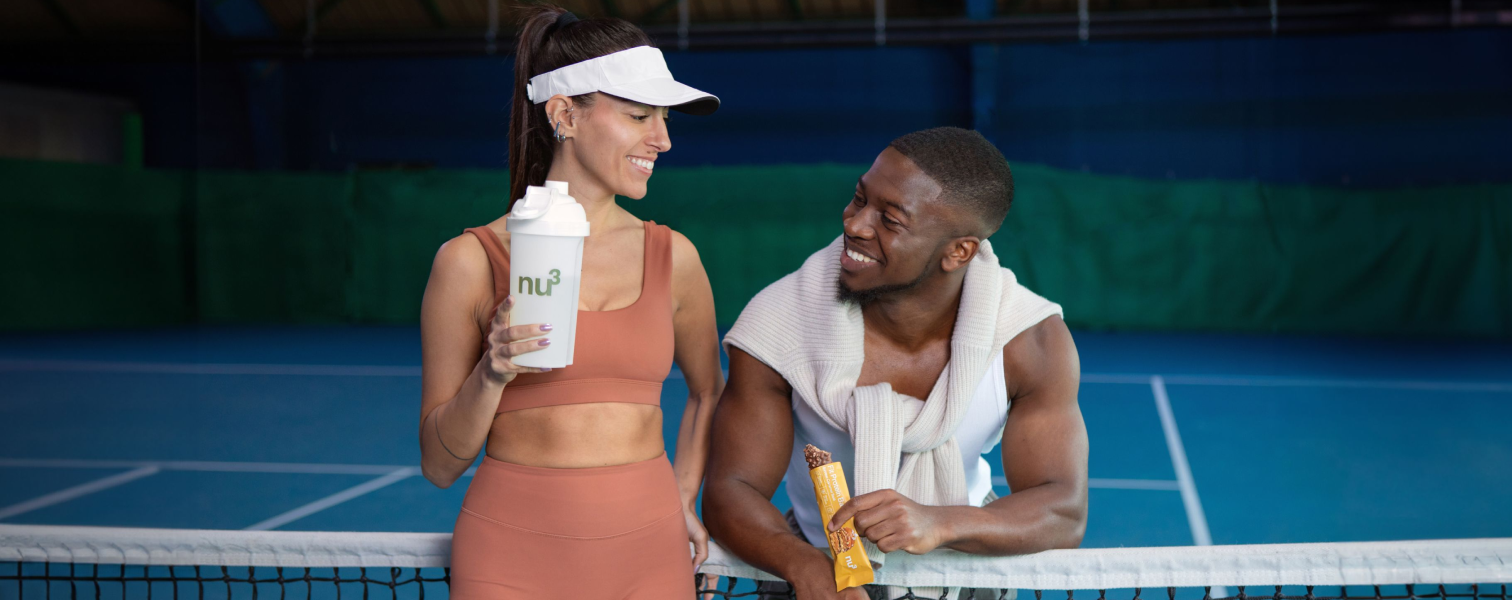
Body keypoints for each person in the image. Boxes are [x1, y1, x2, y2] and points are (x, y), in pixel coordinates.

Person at [702, 127, 1089, 599]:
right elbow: (731, 490)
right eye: (858, 199)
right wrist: (805, 565)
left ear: (958, 251)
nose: (855, 224)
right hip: (815, 561)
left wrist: (938, 522)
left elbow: (1062, 510)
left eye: (890, 220)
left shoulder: (1030, 340)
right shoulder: (779, 325)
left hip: (965, 561)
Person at [416, 6, 724, 599]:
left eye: (662, 118)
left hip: (651, 554)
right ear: (564, 114)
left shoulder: (674, 256)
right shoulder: (469, 262)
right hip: (509, 556)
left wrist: (683, 495)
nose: (661, 138)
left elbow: (710, 390)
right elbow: (439, 464)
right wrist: (493, 371)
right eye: (639, 116)